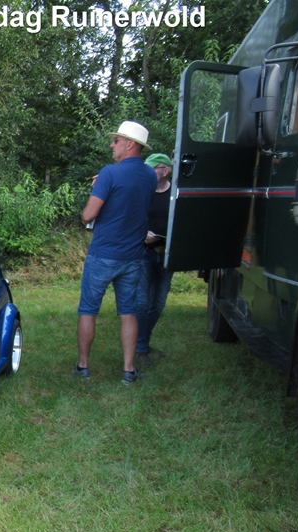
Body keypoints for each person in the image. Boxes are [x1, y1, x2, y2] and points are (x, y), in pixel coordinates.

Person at [74, 121, 158, 385]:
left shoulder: (109, 173)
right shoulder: (151, 176)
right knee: (128, 312)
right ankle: (128, 370)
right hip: (133, 257)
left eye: (117, 140)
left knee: (88, 310)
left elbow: (89, 214)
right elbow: (130, 201)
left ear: (130, 144)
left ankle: (83, 367)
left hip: (103, 254)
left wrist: (98, 188)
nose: (112, 144)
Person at [136, 153, 174, 367]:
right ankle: (140, 348)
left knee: (157, 304)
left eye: (151, 168)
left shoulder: (176, 195)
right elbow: (130, 218)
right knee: (141, 303)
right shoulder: (143, 192)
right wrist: (142, 233)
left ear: (165, 171)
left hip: (167, 255)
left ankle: (143, 342)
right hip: (144, 253)